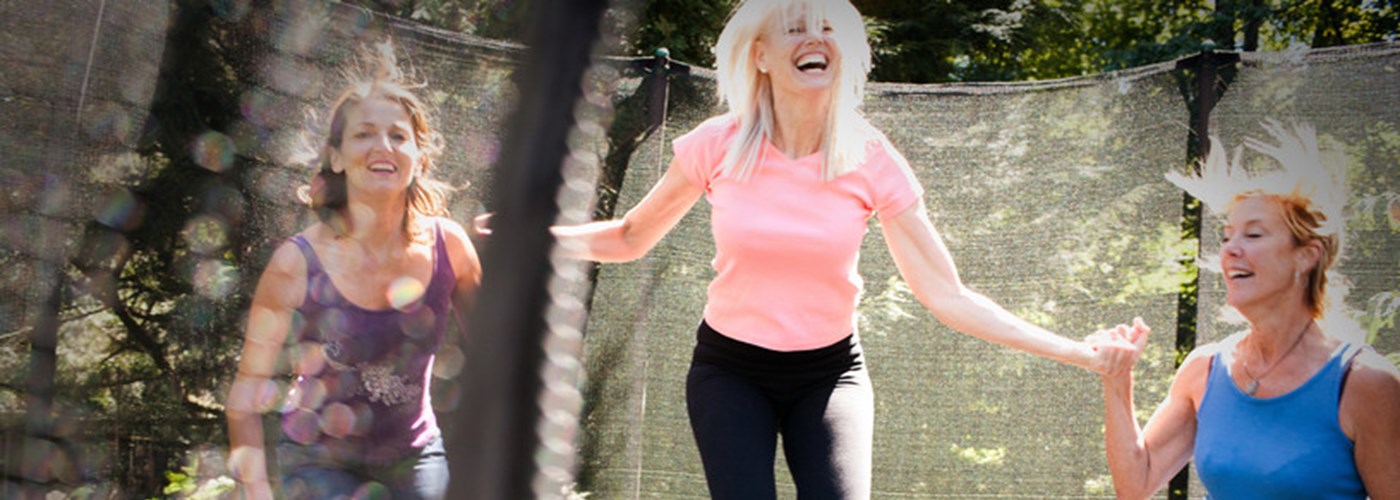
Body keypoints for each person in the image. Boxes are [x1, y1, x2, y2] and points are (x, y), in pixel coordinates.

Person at [541, 0, 1127, 497]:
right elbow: (630, 237)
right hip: (730, 371)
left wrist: (1079, 352)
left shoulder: (871, 159)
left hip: (830, 375)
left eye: (826, 28)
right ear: (761, 56)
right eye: (795, 28)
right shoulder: (717, 146)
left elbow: (947, 295)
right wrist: (535, 242)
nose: (815, 38)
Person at [1090, 121, 1400, 499]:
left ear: (1306, 256)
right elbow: (1135, 485)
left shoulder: (1365, 383)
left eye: (1253, 234)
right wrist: (1117, 381)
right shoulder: (1203, 370)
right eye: (1226, 235)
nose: (1231, 248)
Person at [224, 43, 480, 500]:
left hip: (414, 454)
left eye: (399, 136)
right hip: (319, 460)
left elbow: (499, 358)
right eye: (364, 134)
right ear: (337, 157)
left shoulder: (451, 248)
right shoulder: (295, 264)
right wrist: (257, 492)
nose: (383, 146)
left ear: (418, 156)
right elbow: (245, 398)